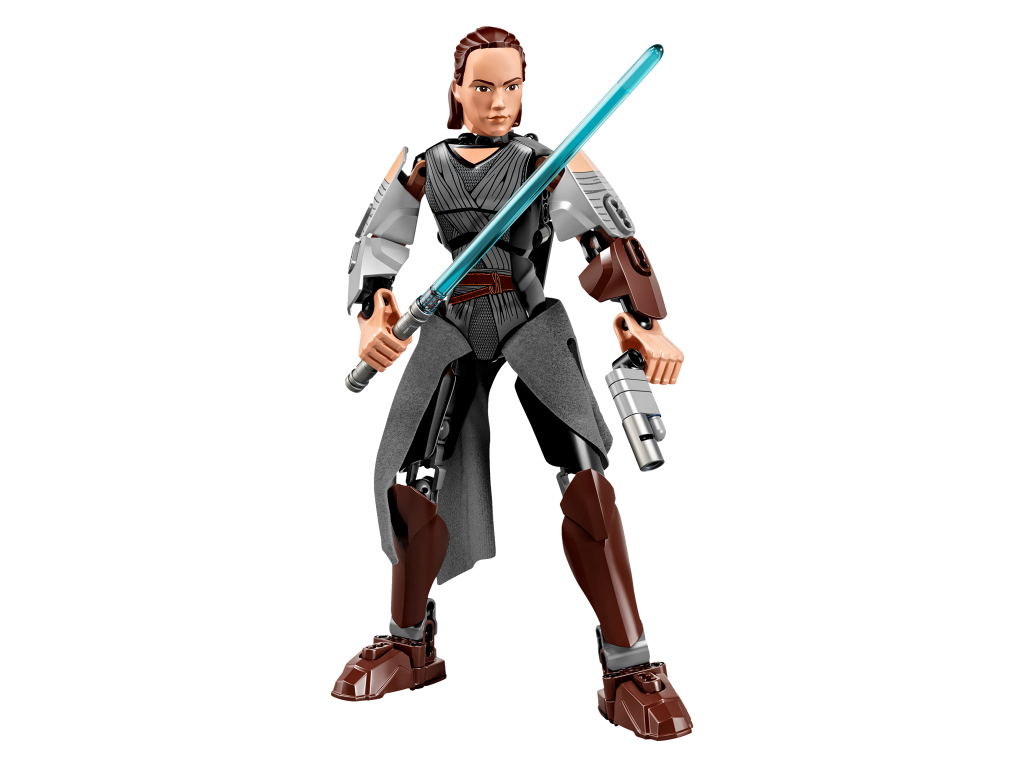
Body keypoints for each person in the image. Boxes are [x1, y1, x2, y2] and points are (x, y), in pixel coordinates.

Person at [334, 26, 692, 740]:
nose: (499, 101)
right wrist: (373, 318)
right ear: (457, 89)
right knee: (410, 481)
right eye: (484, 86)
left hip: (527, 318)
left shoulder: (547, 163)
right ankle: (410, 641)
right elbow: (377, 244)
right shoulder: (428, 166)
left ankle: (628, 668)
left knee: (586, 482)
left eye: (512, 86)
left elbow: (609, 242)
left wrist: (644, 322)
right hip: (451, 321)